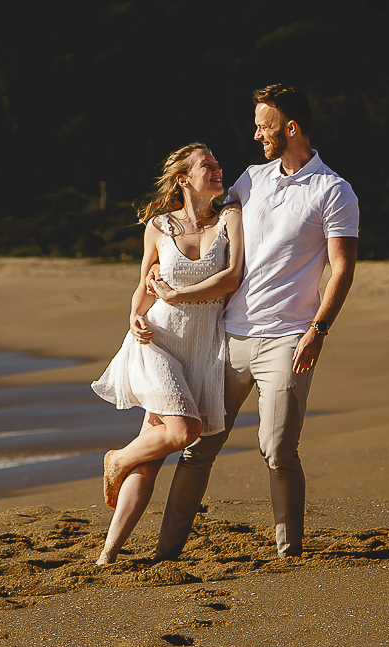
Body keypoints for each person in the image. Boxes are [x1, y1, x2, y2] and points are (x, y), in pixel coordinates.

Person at [154, 84, 359, 560]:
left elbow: (342, 268)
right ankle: (165, 554)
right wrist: (161, 251)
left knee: (278, 449)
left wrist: (318, 331)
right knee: (200, 446)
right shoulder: (250, 179)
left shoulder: (333, 190)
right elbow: (202, 213)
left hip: (288, 340)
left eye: (264, 127)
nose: (256, 135)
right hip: (230, 337)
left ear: (290, 128)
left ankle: (289, 553)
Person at [91, 142, 244, 565]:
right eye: (207, 166)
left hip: (203, 346)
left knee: (152, 453)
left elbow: (231, 278)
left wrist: (179, 293)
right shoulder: (159, 225)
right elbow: (142, 286)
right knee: (182, 433)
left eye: (217, 164)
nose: (217, 170)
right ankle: (118, 459)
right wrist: (133, 317)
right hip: (156, 339)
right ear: (184, 179)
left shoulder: (231, 217)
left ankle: (108, 552)